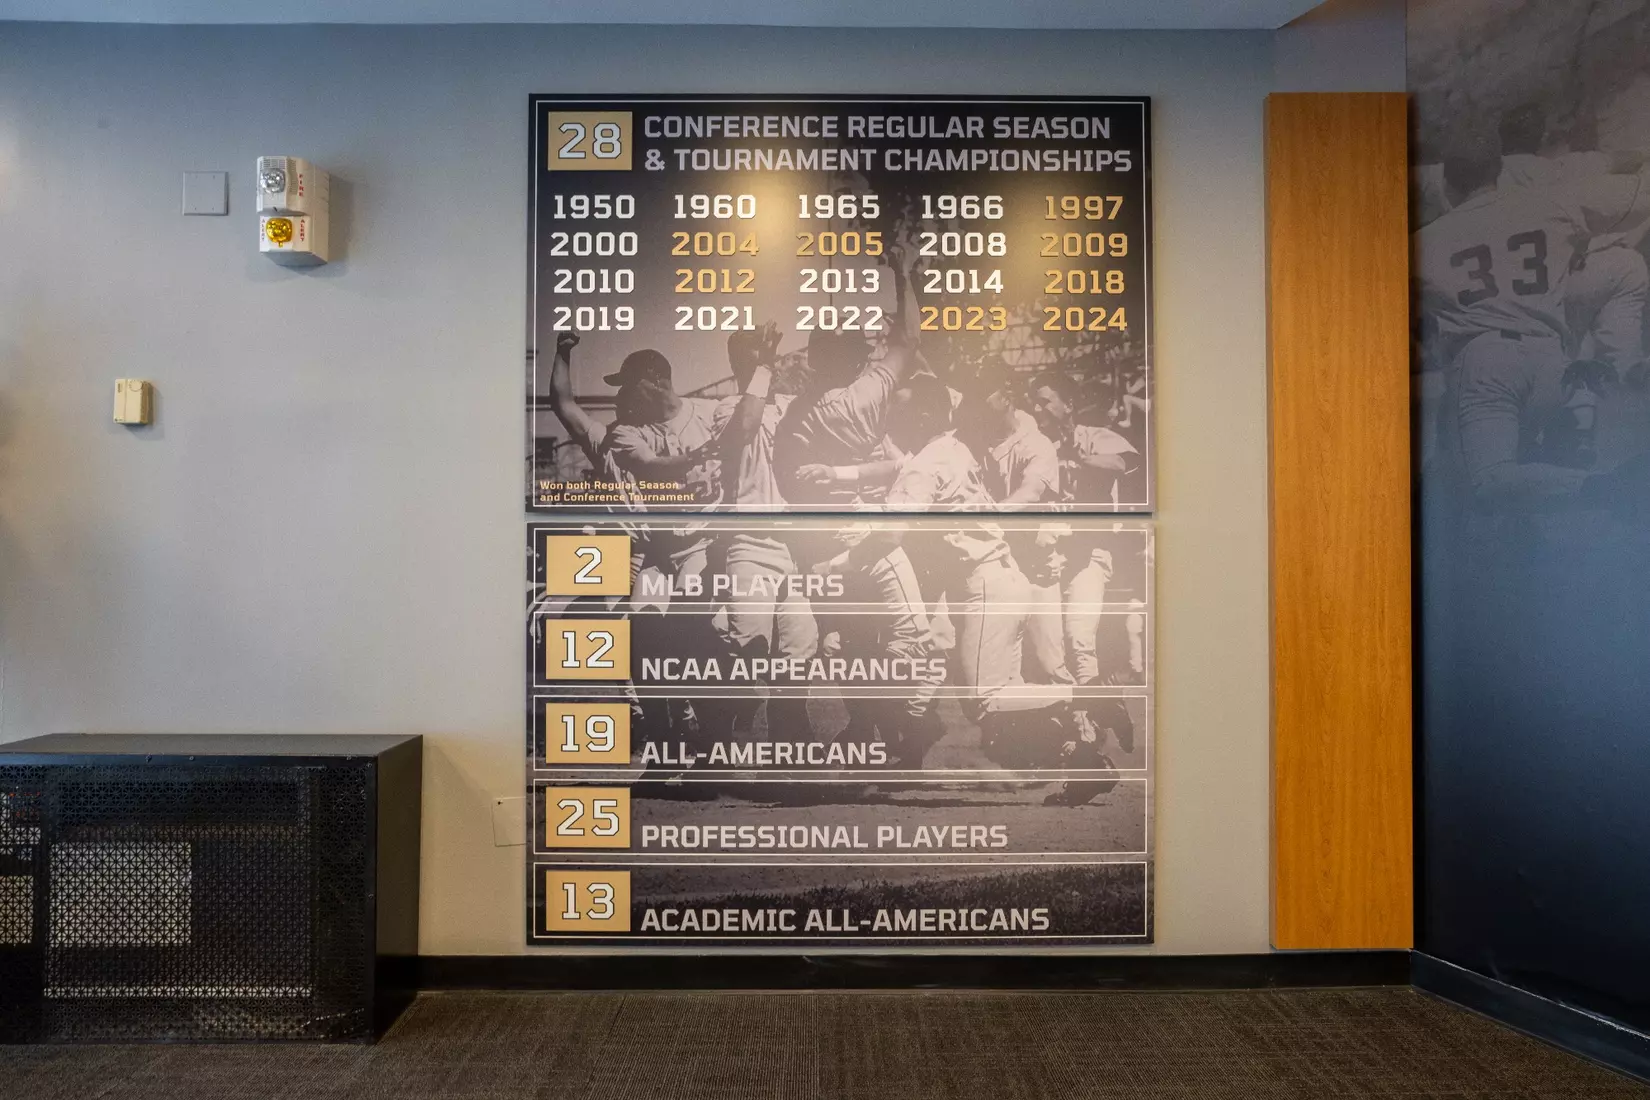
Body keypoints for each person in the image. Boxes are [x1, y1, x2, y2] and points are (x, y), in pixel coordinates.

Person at [710, 322, 819, 742]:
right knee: (750, 651)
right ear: (744, 363)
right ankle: (716, 741)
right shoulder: (729, 406)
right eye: (759, 355)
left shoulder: (791, 404)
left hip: (795, 545)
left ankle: (788, 745)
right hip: (750, 544)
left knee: (800, 648)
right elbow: (745, 426)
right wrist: (767, 367)